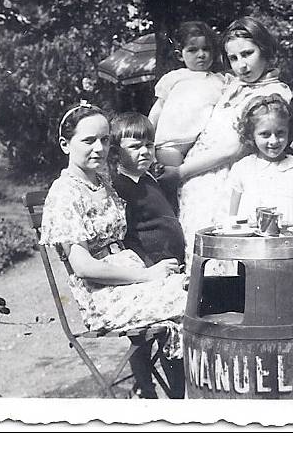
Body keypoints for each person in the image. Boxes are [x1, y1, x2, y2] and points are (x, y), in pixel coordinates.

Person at [38, 101, 186, 397]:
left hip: (131, 278)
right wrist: (148, 276)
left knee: (193, 291)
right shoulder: (65, 193)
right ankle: (177, 399)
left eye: (105, 140)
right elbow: (84, 267)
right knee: (187, 301)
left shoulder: (103, 183)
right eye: (89, 140)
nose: (99, 148)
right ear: (66, 145)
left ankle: (170, 395)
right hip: (102, 293)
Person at [172, 16, 293, 262]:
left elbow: (234, 147)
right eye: (234, 58)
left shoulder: (272, 93)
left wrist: (179, 172)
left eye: (248, 54)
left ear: (265, 50)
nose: (241, 65)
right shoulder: (232, 86)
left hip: (230, 179)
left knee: (223, 250)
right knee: (196, 250)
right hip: (199, 180)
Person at [148, 21, 227, 170]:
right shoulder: (174, 77)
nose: (201, 55)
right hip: (170, 143)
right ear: (180, 55)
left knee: (194, 179)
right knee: (171, 179)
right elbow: (158, 108)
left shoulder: (219, 81)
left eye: (206, 49)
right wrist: (147, 136)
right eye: (192, 50)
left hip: (203, 143)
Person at [110, 112, 186, 266]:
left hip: (172, 259)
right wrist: (147, 266)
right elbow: (127, 236)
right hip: (152, 264)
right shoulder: (120, 187)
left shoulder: (149, 178)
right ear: (116, 153)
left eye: (149, 145)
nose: (145, 151)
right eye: (135, 147)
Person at [228, 94, 293, 226]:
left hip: (288, 241)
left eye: (280, 133)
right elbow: (233, 216)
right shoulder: (243, 168)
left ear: (289, 132)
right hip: (251, 241)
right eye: (265, 134)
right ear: (251, 134)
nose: (273, 141)